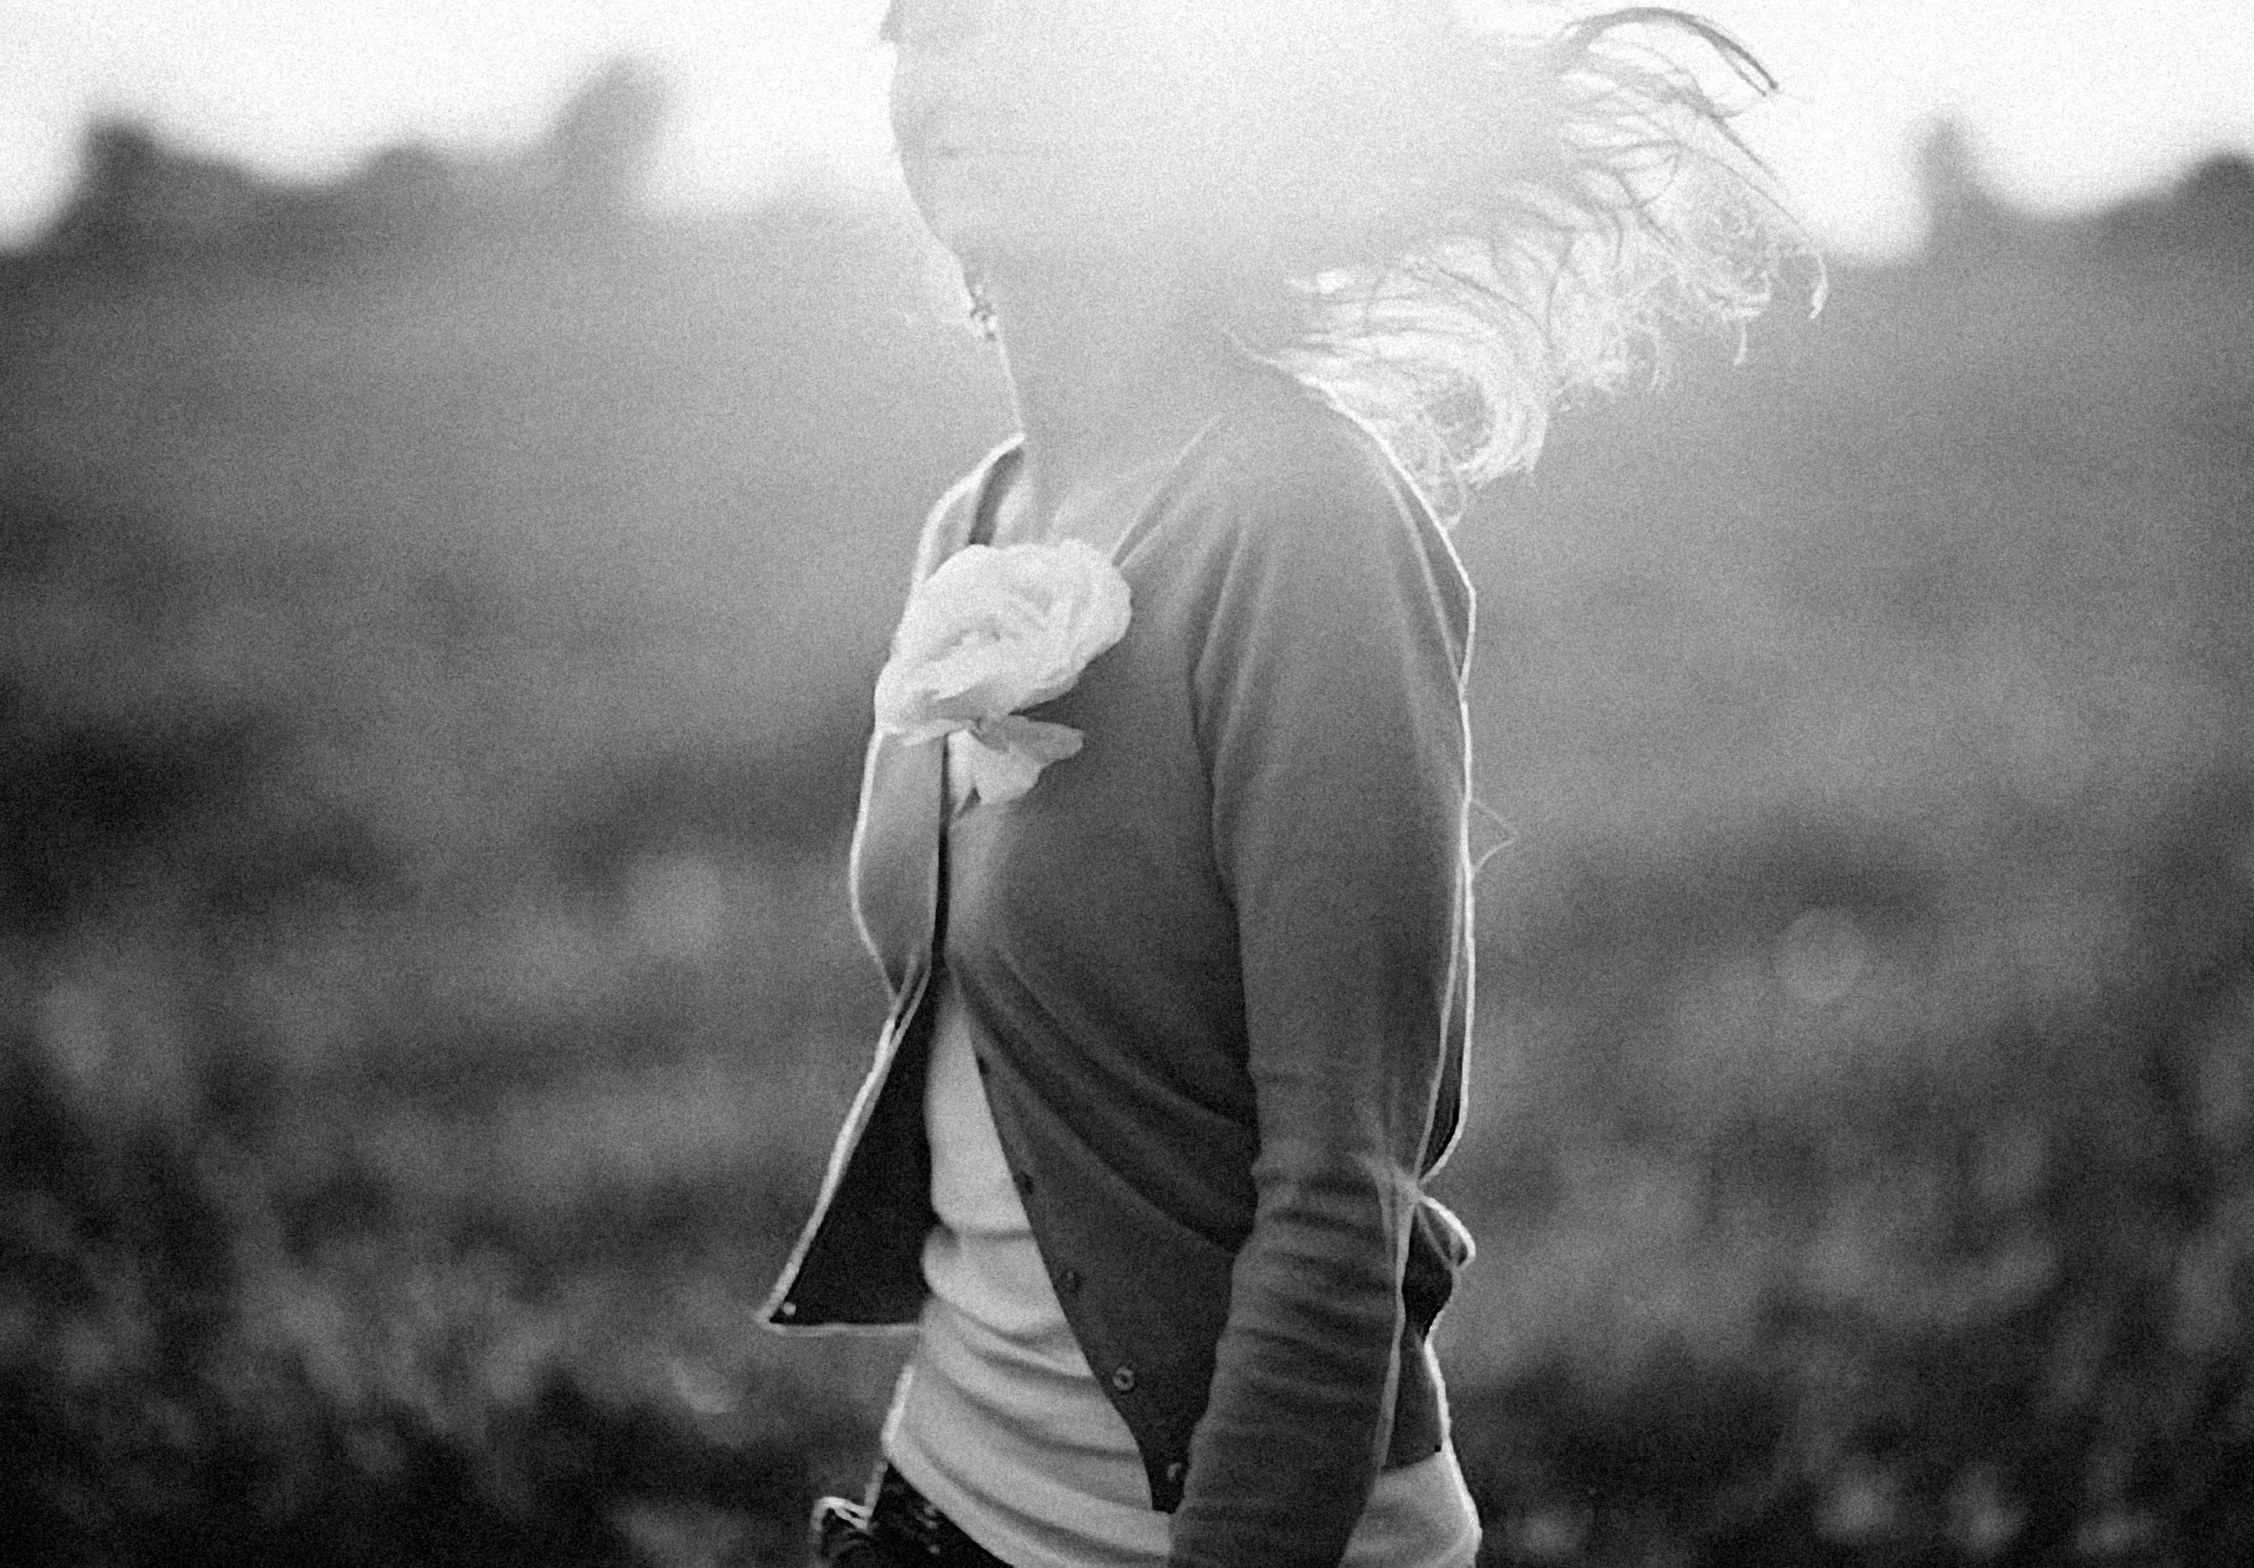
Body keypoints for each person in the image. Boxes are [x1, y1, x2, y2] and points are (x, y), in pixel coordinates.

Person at [761, 5, 1808, 1567]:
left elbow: (1338, 1186)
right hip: (933, 1499)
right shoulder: (970, 521)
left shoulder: (1300, 524)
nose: (978, 64)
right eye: (941, 19)